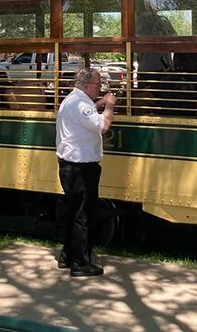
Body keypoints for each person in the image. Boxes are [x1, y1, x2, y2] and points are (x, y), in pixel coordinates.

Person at [56, 67, 116, 277]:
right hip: (81, 168)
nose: (100, 87)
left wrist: (97, 104)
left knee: (72, 212)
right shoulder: (81, 104)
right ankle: (81, 264)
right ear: (86, 85)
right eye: (98, 84)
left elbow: (85, 113)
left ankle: (67, 256)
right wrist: (109, 105)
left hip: (69, 166)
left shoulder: (72, 100)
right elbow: (103, 126)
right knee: (84, 215)